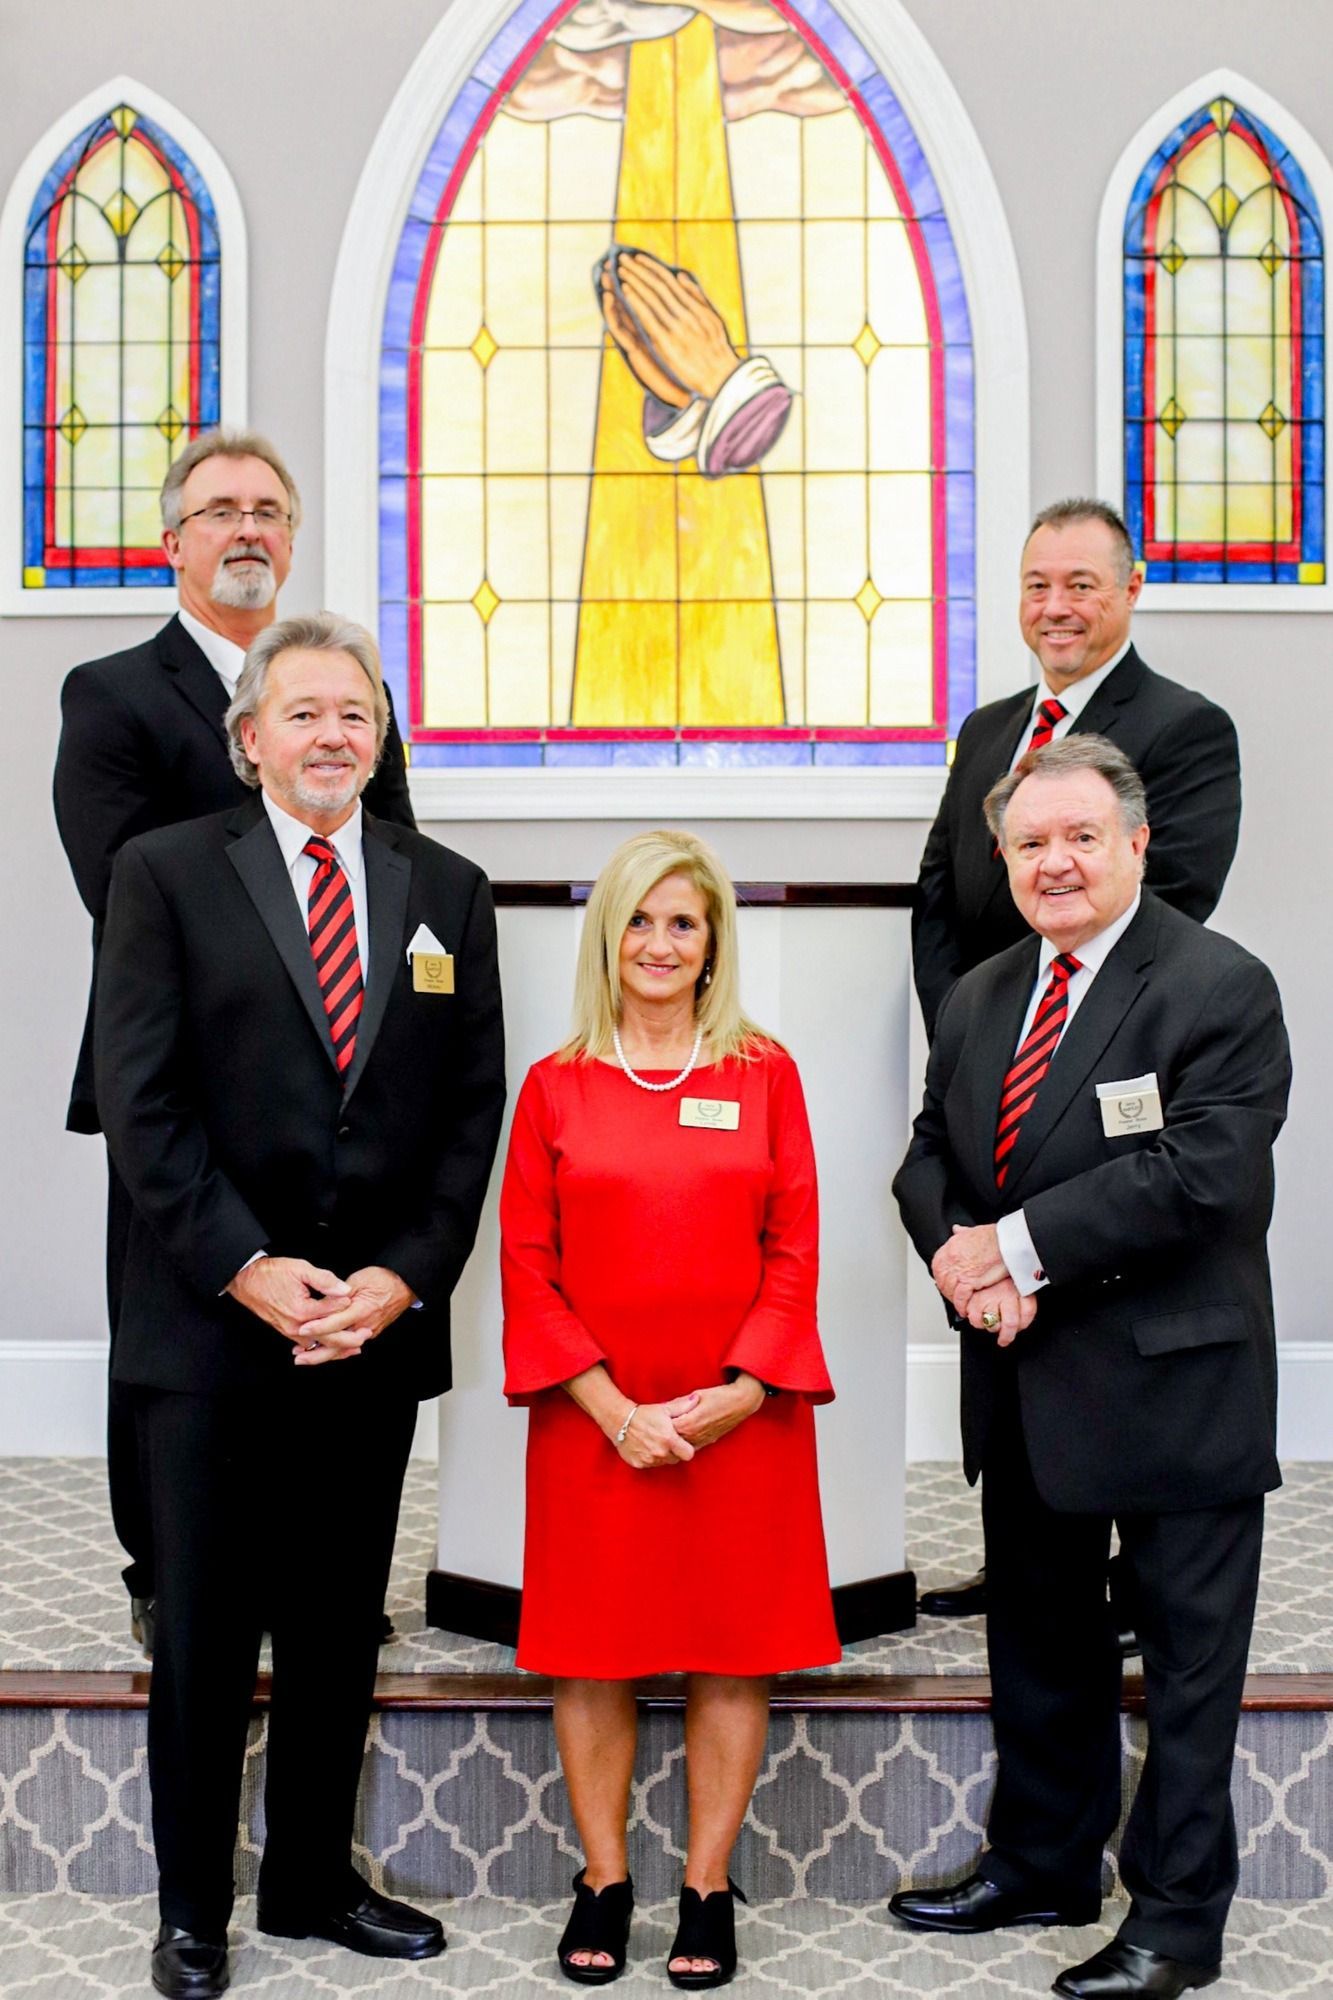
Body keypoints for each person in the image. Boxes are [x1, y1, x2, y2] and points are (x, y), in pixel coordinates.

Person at [94, 613, 505, 1999]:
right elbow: (143, 1104)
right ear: (250, 737)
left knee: (336, 1627)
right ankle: (191, 1911)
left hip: (366, 1333)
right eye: (307, 711)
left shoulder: (449, 889)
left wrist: (402, 1277)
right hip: (213, 1325)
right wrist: (248, 1267)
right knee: (206, 1634)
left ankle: (314, 1879)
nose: (334, 734)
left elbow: (469, 1114)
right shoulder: (163, 874)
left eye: (356, 714)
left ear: (380, 739)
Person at [891, 736, 1289, 2000]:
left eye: (1078, 836)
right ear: (1003, 859)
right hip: (1025, 1372)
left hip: (1178, 1384)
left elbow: (1204, 1174)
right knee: (1039, 1643)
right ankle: (1041, 1862)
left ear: (1135, 843)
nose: (1053, 862)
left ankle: (1175, 1919)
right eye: (1029, 843)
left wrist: (1013, 1247)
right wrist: (963, 1263)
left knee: (1187, 1671)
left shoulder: (1219, 983)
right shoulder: (979, 993)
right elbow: (928, 1152)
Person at [53, 427, 416, 1653]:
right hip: (178, 1075)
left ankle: (315, 1577)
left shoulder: (350, 693)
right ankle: (166, 1570)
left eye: (269, 510)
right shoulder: (113, 694)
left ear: (292, 539)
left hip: (339, 1069)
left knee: (322, 1328)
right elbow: (121, 887)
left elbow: (393, 862)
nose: (248, 528)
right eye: (221, 510)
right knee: (171, 1334)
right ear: (175, 541)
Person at [500, 830, 837, 1988]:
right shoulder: (555, 1084)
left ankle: (706, 1883)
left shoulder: (764, 1071)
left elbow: (794, 1246)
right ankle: (603, 1876)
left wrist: (744, 1389)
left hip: (737, 1417)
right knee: (590, 1653)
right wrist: (612, 1408)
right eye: (638, 919)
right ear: (607, 936)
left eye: (682, 921)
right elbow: (526, 1264)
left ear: (712, 941)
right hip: (595, 1420)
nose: (658, 942)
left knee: (730, 1652)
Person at [912, 497, 1241, 1622]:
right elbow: (937, 897)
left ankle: (1135, 1581)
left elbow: (1174, 899)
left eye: (1080, 584)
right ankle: (1028, 1561)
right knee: (1011, 1344)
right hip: (995, 1084)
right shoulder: (986, 729)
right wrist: (972, 1038)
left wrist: (1051, 1035)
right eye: (1036, 584)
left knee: (1110, 1343)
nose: (1055, 606)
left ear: (1129, 589)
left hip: (1111, 1077)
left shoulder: (1186, 728)